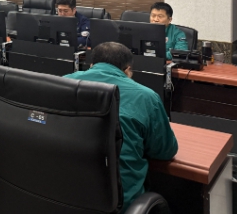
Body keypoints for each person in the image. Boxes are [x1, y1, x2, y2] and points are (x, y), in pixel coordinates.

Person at [65, 42, 178, 210]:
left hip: (64, 195)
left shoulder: (64, 82)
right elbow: (165, 151)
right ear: (128, 70)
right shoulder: (146, 97)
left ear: (91, 65)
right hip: (117, 205)